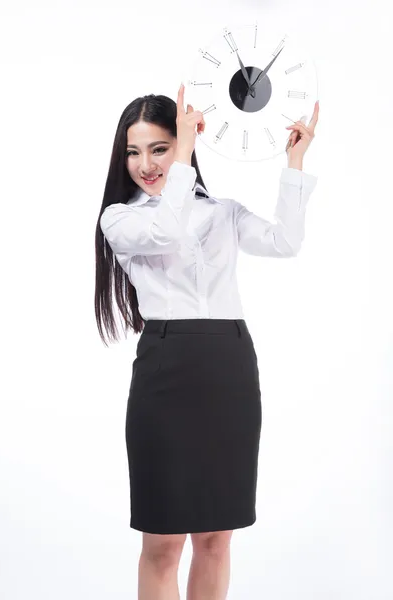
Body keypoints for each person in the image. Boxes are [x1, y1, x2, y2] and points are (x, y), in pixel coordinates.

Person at [94, 83, 319, 600]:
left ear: (180, 144)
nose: (146, 164)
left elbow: (286, 242)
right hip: (166, 370)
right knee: (163, 542)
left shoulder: (224, 211)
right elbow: (168, 235)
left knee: (216, 539)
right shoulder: (120, 218)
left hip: (229, 368)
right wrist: (185, 160)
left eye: (159, 148)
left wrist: (294, 163)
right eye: (134, 151)